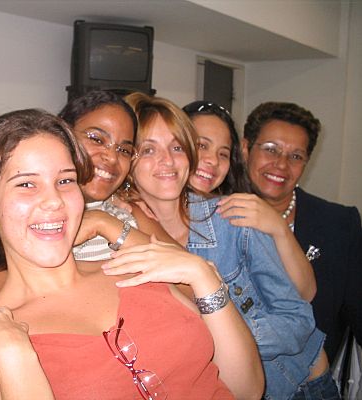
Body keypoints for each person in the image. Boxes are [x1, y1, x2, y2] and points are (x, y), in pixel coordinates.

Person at [0, 108, 264, 399]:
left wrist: (203, 275)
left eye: (65, 180)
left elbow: (246, 389)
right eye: (26, 184)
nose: (54, 201)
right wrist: (13, 355)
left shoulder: (137, 269)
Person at [111, 92, 333, 400]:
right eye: (148, 149)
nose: (168, 160)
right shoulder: (123, 236)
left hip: (295, 387)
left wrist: (220, 335)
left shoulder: (231, 220)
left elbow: (299, 320)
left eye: (177, 147)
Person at [0, 90, 173, 309]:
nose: (112, 157)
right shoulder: (8, 238)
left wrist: (103, 222)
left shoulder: (127, 212)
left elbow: (188, 280)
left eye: (124, 150)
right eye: (97, 139)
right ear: (64, 136)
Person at [240, 101, 362, 375]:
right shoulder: (214, 217)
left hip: (313, 381)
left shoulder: (339, 224)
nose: (281, 164)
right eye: (270, 149)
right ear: (246, 149)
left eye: (296, 156)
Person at [182, 100, 316, 301]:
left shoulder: (232, 217)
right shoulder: (141, 211)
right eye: (271, 149)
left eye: (223, 154)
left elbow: (300, 295)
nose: (281, 164)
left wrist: (279, 228)